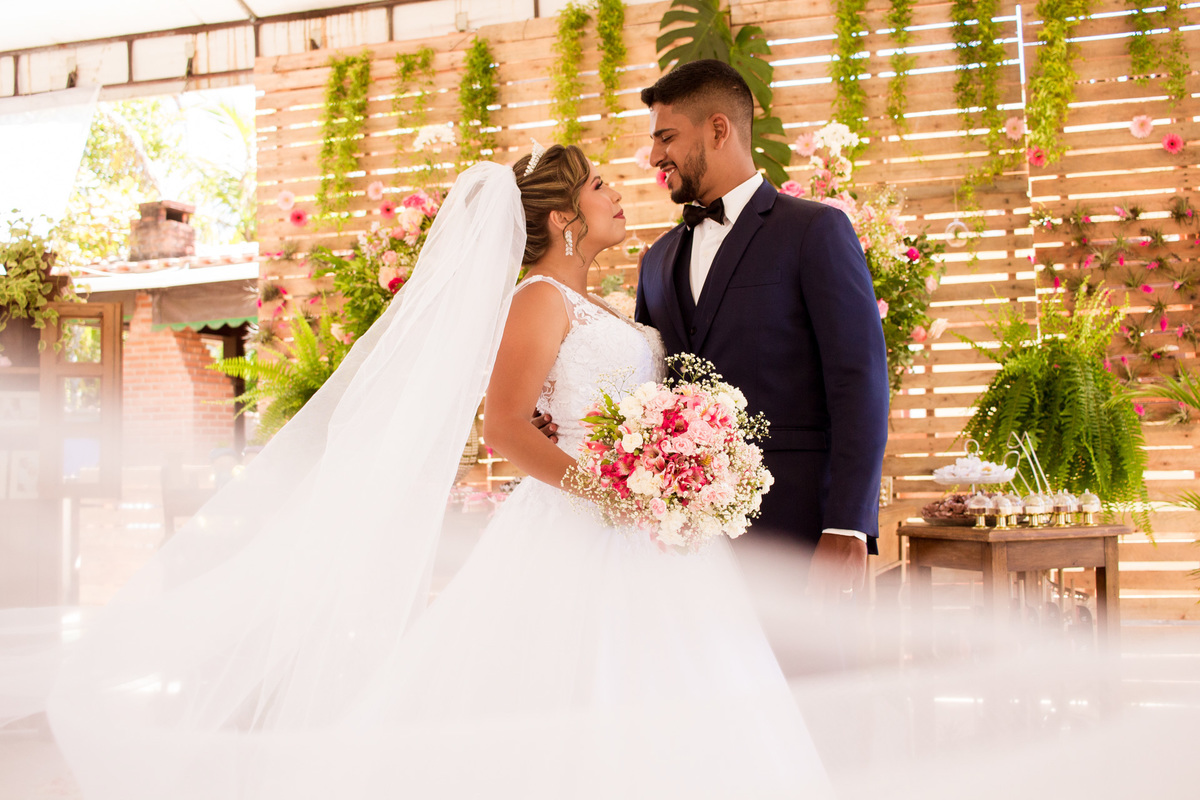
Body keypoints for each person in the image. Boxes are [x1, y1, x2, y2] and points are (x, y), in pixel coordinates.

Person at [3, 149, 832, 798]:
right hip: (582, 529)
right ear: (560, 216)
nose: (620, 193)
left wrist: (674, 467)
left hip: (654, 542)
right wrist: (612, 488)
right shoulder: (538, 299)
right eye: (601, 185)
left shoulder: (612, 309)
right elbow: (506, 427)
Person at [634, 60, 890, 604]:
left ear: (718, 129)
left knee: (810, 686)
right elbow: (646, 382)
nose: (656, 156)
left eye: (667, 137)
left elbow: (859, 380)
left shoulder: (816, 231)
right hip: (686, 539)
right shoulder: (655, 261)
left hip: (797, 525)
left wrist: (848, 523)